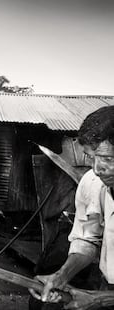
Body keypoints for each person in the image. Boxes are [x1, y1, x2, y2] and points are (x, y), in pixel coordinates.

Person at [29, 106, 114, 309]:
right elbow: (86, 239)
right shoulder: (92, 183)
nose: (96, 169)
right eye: (90, 157)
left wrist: (99, 300)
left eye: (107, 159)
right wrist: (61, 276)